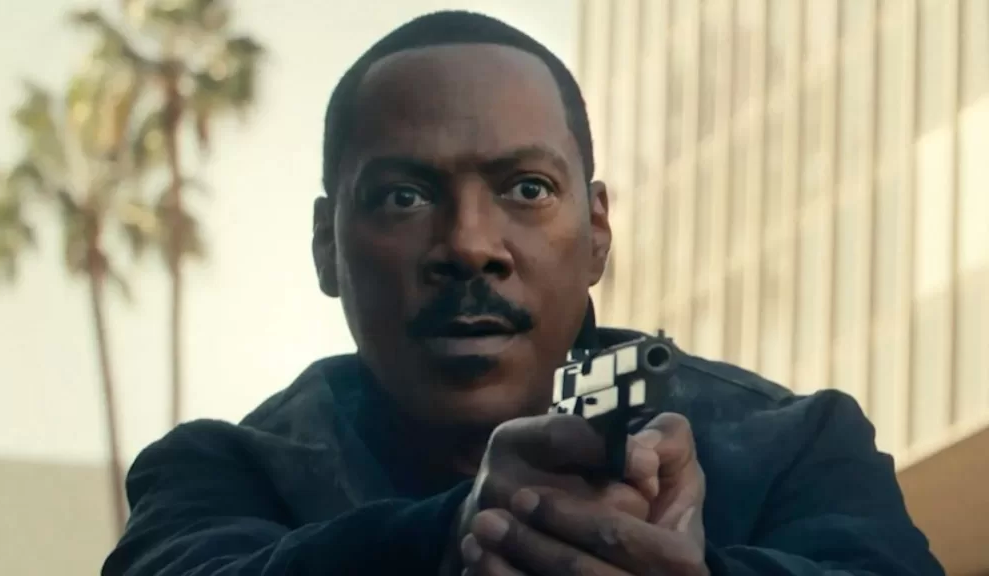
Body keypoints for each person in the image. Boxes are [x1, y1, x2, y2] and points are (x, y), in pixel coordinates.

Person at [103, 10, 944, 576]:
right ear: (328, 245)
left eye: (528, 189)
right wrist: (458, 533)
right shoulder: (224, 472)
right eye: (404, 197)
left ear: (597, 231)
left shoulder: (793, 445)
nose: (469, 244)